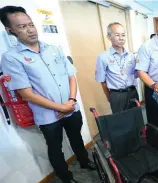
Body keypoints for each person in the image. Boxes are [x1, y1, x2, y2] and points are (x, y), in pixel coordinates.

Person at [0, 6, 96, 183]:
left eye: (31, 24)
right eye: (22, 27)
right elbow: (26, 94)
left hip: (71, 107)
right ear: (10, 30)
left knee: (77, 138)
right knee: (55, 148)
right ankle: (66, 178)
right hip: (48, 116)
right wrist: (62, 108)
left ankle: (84, 161)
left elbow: (71, 76)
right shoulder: (11, 58)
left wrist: (71, 101)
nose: (30, 30)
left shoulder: (54, 49)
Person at [95, 22, 138, 113]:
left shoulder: (131, 55)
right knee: (121, 123)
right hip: (117, 95)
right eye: (117, 35)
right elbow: (102, 81)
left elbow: (135, 74)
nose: (121, 38)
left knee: (137, 120)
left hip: (132, 92)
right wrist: (110, 96)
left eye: (123, 35)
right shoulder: (103, 57)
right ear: (109, 37)